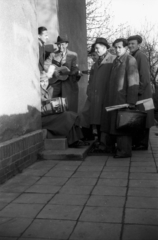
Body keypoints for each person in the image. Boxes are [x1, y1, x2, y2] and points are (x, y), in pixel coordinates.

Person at [104, 38, 139, 158]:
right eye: (115, 47)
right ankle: (119, 148)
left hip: (123, 99)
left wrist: (131, 101)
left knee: (123, 126)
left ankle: (124, 151)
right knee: (116, 125)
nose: (117, 49)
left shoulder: (130, 60)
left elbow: (133, 80)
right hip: (115, 98)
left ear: (126, 48)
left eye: (120, 47)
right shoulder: (116, 60)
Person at [40, 68, 86, 147]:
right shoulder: (35, 91)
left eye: (45, 81)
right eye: (41, 81)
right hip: (42, 118)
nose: (44, 83)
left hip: (48, 114)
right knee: (67, 116)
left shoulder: (49, 88)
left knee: (70, 114)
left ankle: (75, 139)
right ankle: (73, 141)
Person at [86, 37, 115, 147]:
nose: (96, 50)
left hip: (106, 95)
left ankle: (106, 144)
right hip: (95, 96)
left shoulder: (113, 60)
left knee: (106, 119)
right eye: (95, 48)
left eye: (97, 48)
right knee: (96, 119)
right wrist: (89, 92)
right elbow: (91, 80)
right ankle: (100, 142)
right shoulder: (95, 63)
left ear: (104, 48)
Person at [128, 35, 155, 150]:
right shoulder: (134, 56)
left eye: (133, 43)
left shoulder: (140, 56)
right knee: (140, 117)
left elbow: (144, 76)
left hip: (143, 93)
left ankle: (141, 144)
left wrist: (137, 91)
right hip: (141, 92)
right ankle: (139, 143)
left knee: (143, 118)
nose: (130, 45)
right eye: (129, 43)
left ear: (139, 44)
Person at [44, 35, 81, 112]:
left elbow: (75, 67)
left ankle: (70, 123)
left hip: (68, 83)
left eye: (63, 44)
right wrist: (54, 72)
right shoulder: (52, 54)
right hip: (55, 83)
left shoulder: (73, 55)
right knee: (52, 104)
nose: (60, 46)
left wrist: (74, 71)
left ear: (67, 44)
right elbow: (46, 65)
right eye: (59, 44)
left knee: (68, 105)